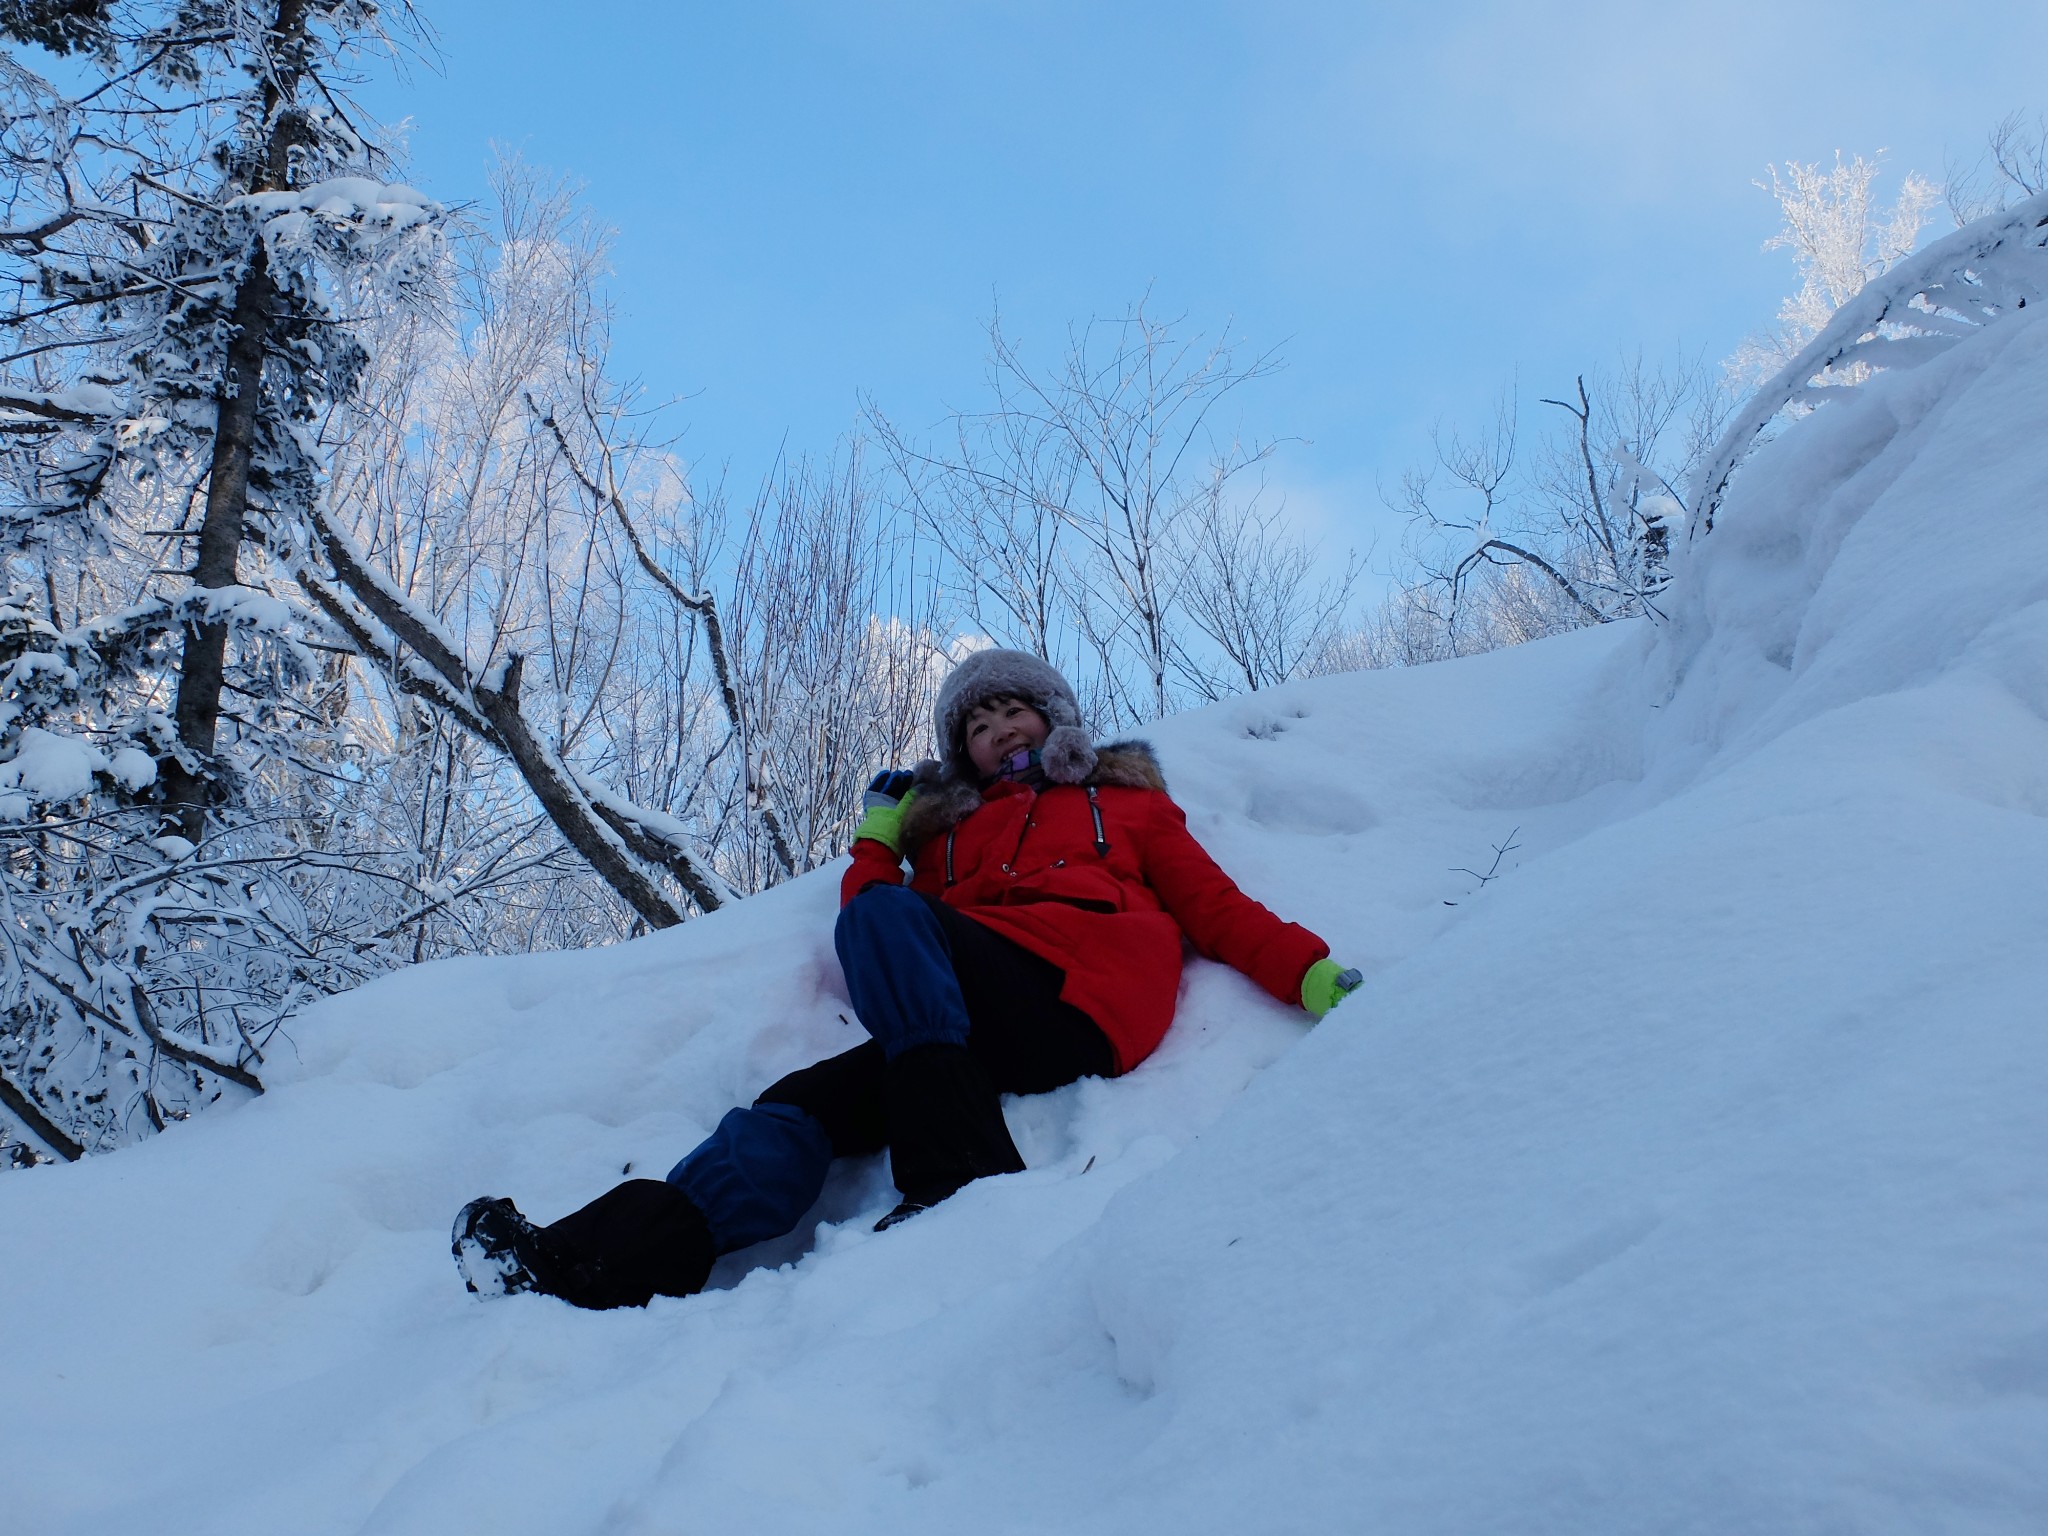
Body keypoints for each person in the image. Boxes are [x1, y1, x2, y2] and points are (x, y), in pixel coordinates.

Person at [452, 649, 1361, 1309]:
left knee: (893, 937)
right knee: (798, 1104)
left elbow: (1215, 906)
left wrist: (1310, 975)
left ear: (1054, 720)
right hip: (963, 1020)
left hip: (1081, 993)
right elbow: (874, 911)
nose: (997, 729)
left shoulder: (1121, 803)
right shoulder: (950, 839)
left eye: (1014, 712)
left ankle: (956, 1170)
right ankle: (593, 1264)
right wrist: (883, 836)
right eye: (975, 723)